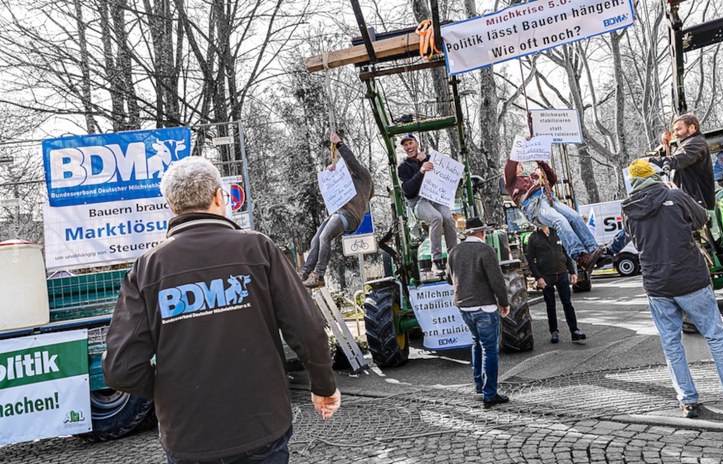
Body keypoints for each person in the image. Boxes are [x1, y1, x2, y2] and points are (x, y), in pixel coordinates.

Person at [103, 156, 341, 463]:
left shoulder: (147, 269)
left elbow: (120, 368)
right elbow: (307, 330)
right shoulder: (258, 249)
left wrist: (173, 391)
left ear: (172, 208)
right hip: (261, 427)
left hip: (189, 438)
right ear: (219, 196)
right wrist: (323, 385)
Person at [613, 159, 723, 418]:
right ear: (653, 176)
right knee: (716, 336)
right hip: (690, 279)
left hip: (657, 284)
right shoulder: (674, 195)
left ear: (633, 183)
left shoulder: (627, 209)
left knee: (671, 344)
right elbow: (702, 219)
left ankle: (688, 400)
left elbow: (635, 238)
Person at [445, 217, 511, 408]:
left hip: (464, 307)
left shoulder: (454, 251)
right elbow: (496, 280)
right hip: (485, 307)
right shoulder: (486, 250)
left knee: (476, 343)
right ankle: (489, 394)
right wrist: (504, 303)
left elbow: (450, 280)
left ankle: (478, 385)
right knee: (490, 349)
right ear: (482, 233)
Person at [504, 158, 604, 273]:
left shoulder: (535, 176)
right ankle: (580, 256)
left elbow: (553, 178)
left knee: (575, 217)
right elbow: (510, 164)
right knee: (560, 221)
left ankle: (593, 250)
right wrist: (518, 153)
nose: (520, 164)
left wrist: (541, 163)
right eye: (518, 164)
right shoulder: (511, 182)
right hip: (535, 205)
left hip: (550, 199)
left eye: (520, 163)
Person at [302, 132, 374, 288]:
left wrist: (339, 144)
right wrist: (331, 174)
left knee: (325, 237)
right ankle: (304, 273)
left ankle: (319, 275)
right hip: (339, 212)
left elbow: (352, 161)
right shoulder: (348, 181)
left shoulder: (363, 176)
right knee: (316, 239)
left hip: (350, 215)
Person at [397, 133, 458, 272]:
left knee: (448, 217)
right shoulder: (403, 167)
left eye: (410, 143)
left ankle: (454, 255)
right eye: (405, 145)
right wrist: (421, 171)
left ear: (416, 143)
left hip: (435, 197)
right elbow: (407, 190)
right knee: (436, 218)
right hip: (418, 201)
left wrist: (427, 160)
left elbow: (443, 174)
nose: (408, 147)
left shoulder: (430, 159)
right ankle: (436, 259)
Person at [525, 226, 587, 344]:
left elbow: (566, 254)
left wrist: (572, 272)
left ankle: (575, 331)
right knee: (550, 305)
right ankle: (554, 332)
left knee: (567, 303)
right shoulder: (534, 238)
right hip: (546, 276)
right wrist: (539, 277)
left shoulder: (558, 233)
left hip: (562, 273)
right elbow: (531, 261)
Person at [648, 113, 715, 210]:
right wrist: (665, 145)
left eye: (678, 129)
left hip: (699, 204)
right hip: (690, 202)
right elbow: (672, 160)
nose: (675, 133)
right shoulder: (685, 144)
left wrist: (649, 160)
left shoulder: (696, 143)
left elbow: (676, 160)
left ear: (692, 127)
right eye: (674, 130)